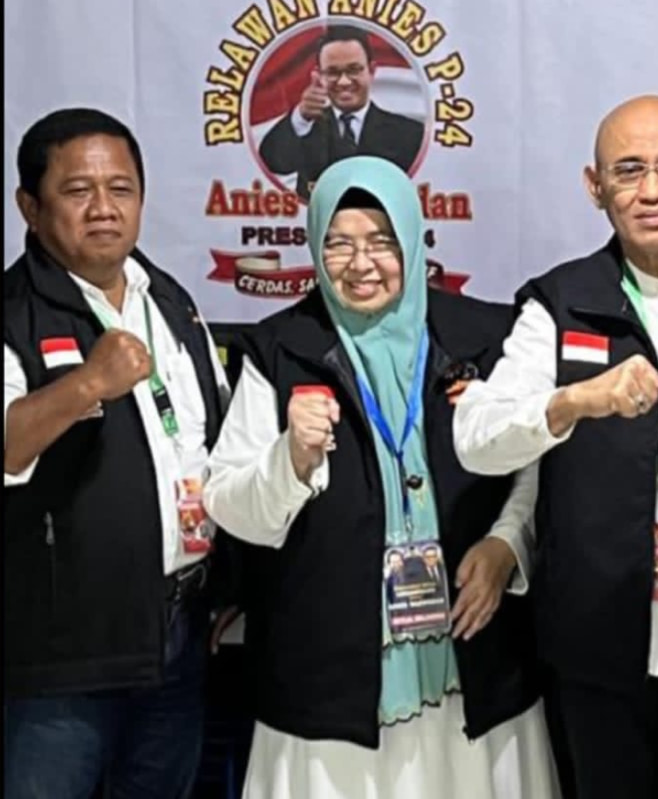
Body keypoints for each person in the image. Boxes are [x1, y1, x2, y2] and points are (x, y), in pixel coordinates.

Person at [203, 156, 561, 798]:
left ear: (414, 240)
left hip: (474, 659)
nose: (360, 264)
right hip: (332, 671)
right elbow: (230, 504)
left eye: (381, 242)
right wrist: (291, 459)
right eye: (337, 244)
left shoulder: (482, 336)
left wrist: (507, 544)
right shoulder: (279, 350)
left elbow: (534, 463)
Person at [453, 95, 658, 799]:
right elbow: (476, 439)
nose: (652, 190)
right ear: (595, 187)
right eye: (628, 171)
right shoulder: (559, 303)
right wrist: (573, 401)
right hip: (598, 644)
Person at [3, 108, 229, 799]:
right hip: (62, 652)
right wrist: (86, 384)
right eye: (78, 190)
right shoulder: (12, 312)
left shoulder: (171, 300)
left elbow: (209, 444)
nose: (103, 207)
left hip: (178, 628)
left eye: (121, 188)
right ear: (30, 207)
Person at [259, 24, 425, 199]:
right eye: (333, 72)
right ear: (319, 75)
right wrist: (301, 116)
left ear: (371, 71)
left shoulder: (410, 134)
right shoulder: (304, 128)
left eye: (354, 70)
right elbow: (273, 162)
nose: (344, 82)